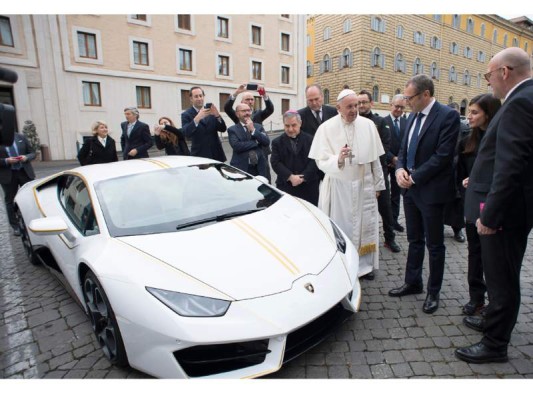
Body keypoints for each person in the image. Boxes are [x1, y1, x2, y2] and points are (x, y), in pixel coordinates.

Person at [456, 47, 533, 364]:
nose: (488, 82)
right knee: (502, 273)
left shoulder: (520, 102)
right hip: (512, 209)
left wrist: (490, 214)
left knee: (501, 279)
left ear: (505, 72)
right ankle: (492, 322)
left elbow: (510, 165)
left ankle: (495, 343)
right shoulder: (524, 99)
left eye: (489, 75)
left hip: (503, 213)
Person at [389, 74, 460, 314]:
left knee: (435, 244)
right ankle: (413, 282)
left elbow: (443, 156)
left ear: (426, 95)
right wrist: (399, 170)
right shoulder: (411, 116)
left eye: (410, 98)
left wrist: (415, 176)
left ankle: (433, 291)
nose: (406, 102)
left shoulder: (447, 116)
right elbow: (403, 149)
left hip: (431, 191)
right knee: (414, 240)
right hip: (409, 191)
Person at [309, 89, 385, 280]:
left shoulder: (368, 125)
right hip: (339, 187)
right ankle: (343, 265)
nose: (354, 110)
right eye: (350, 106)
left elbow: (375, 159)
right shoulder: (326, 128)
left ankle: (365, 266)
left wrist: (378, 185)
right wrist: (338, 159)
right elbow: (320, 160)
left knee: (364, 225)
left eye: (356, 105)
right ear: (338, 108)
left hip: (363, 185)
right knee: (343, 227)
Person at [456, 94, 501, 316]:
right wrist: (466, 181)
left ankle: (496, 303)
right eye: (469, 111)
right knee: (474, 253)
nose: (469, 116)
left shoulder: (501, 140)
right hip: (473, 206)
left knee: (492, 257)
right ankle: (476, 297)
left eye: (475, 112)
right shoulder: (467, 140)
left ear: (488, 114)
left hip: (494, 206)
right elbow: (462, 172)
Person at [358, 90, 400, 255]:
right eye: (359, 102)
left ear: (371, 103)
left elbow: (385, 147)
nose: (361, 105)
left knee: (385, 208)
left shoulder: (380, 122)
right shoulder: (353, 122)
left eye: (364, 102)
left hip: (377, 172)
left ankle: (390, 238)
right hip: (359, 174)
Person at [224, 84, 273, 181]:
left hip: (261, 151)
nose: (250, 101)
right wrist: (237, 92)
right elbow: (227, 108)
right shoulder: (238, 114)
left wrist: (264, 94)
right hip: (244, 155)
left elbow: (270, 109)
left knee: (264, 178)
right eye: (247, 99)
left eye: (252, 99)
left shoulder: (258, 113)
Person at [270, 110, 320, 206]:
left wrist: (303, 177)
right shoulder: (277, 142)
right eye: (287, 126)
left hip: (308, 186)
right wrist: (290, 177)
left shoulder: (310, 139)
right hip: (286, 185)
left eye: (293, 125)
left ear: (300, 123)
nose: (290, 129)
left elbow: (314, 160)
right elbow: (275, 162)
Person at [443, 102, 471, 243]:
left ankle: (457, 229)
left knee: (457, 202)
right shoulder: (442, 127)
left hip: (458, 170)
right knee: (441, 201)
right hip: (443, 170)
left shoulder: (465, 128)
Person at [0, 132, 36, 236]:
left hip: (24, 172)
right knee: (10, 201)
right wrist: (6, 161)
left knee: (30, 198)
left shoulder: (20, 137)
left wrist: (26, 157)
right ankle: (16, 227)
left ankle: (32, 222)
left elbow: (32, 153)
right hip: (8, 175)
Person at [181, 86, 227, 162]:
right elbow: (186, 133)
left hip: (216, 154)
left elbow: (223, 129)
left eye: (200, 96)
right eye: (196, 96)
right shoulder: (186, 115)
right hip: (200, 156)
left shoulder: (211, 111)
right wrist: (197, 118)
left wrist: (217, 116)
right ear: (191, 99)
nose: (199, 98)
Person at [383, 95, 407, 232]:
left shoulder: (406, 122)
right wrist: (392, 158)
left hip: (399, 165)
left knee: (396, 195)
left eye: (402, 107)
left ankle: (394, 220)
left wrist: (399, 160)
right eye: (396, 106)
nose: (399, 109)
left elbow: (406, 143)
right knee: (385, 194)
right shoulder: (383, 121)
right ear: (391, 105)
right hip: (386, 163)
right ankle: (387, 222)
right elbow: (381, 144)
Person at [227, 103, 270, 178]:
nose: (247, 113)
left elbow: (266, 142)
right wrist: (256, 142)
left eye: (249, 110)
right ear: (237, 114)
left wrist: (253, 130)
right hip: (241, 168)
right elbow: (237, 146)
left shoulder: (258, 127)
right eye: (244, 111)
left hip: (259, 168)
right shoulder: (232, 129)